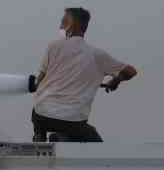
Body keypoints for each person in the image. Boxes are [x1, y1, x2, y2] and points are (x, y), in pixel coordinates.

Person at [31, 7, 137, 142]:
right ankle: (62, 138)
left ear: (71, 25)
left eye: (63, 22)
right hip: (72, 121)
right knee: (93, 141)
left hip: (41, 116)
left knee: (39, 110)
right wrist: (116, 80)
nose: (60, 26)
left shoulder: (53, 46)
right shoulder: (97, 55)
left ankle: (40, 135)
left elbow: (39, 81)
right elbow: (131, 71)